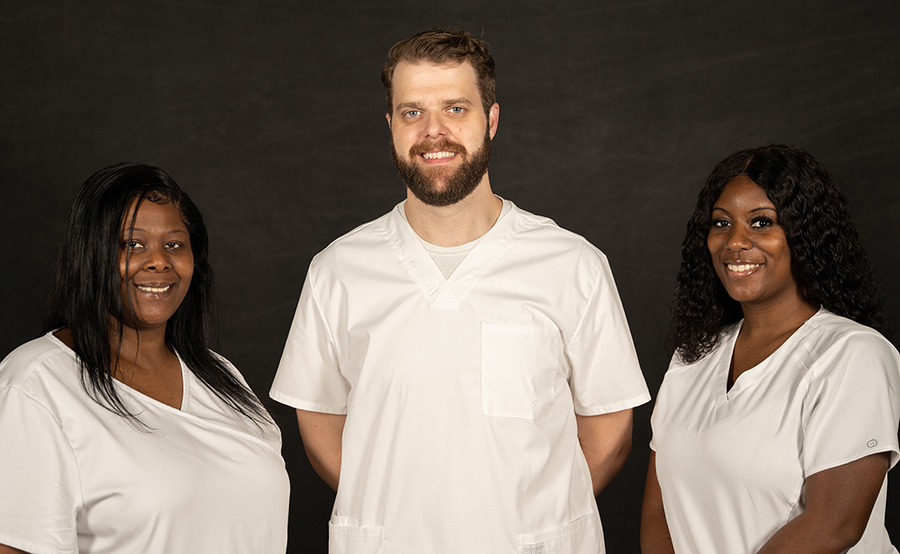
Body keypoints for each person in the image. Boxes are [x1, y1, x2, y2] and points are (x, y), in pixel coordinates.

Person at [270, 27, 650, 553]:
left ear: (491, 120)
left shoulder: (571, 265)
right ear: (390, 125)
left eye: (455, 108)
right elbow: (318, 421)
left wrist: (524, 512)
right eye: (411, 112)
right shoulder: (339, 270)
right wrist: (400, 507)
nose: (433, 131)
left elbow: (610, 434)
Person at [0, 163, 290, 554]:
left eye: (174, 244)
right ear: (90, 255)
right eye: (131, 244)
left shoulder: (221, 377)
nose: (158, 262)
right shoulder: (35, 385)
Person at [641, 144, 900, 553]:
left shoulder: (852, 354)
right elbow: (659, 512)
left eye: (762, 222)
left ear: (804, 234)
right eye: (721, 223)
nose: (735, 242)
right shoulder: (694, 357)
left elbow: (835, 525)